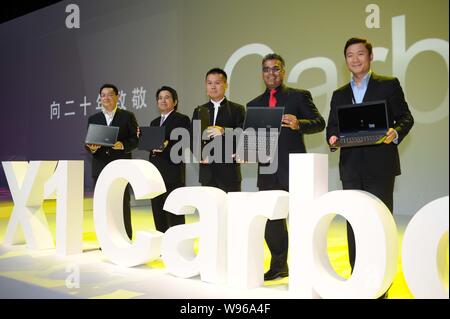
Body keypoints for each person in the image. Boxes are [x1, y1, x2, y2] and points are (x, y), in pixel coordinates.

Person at [326, 38, 414, 294]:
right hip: (351, 168)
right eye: (350, 55)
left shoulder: (388, 85)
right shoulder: (339, 94)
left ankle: (381, 283)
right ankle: (358, 280)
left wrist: (394, 133)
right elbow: (333, 127)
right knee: (354, 224)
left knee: (379, 224)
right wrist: (332, 138)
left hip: (381, 166)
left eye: (360, 54)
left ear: (370, 56)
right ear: (345, 60)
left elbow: (406, 118)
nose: (355, 59)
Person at [247, 53, 325, 281]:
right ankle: (279, 266)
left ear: (283, 71)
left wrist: (299, 123)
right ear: (262, 73)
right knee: (273, 223)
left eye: (276, 68)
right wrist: (243, 152)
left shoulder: (298, 97)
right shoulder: (253, 105)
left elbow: (319, 123)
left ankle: (305, 268)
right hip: (267, 171)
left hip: (294, 168)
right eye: (266, 69)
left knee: (301, 220)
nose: (271, 73)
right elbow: (252, 141)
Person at [86, 83, 139, 240]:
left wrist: (122, 145)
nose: (106, 98)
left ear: (117, 97)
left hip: (120, 166)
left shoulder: (127, 116)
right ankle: (105, 240)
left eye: (110, 94)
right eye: (103, 95)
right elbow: (88, 142)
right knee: (103, 204)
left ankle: (126, 238)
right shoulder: (93, 118)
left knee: (122, 203)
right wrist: (93, 148)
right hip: (100, 166)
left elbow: (135, 140)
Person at [191, 68, 246, 192]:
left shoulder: (237, 109)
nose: (213, 87)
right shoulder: (199, 110)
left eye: (217, 83)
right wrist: (199, 155)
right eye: (209, 83)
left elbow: (244, 134)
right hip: (207, 173)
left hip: (230, 173)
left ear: (226, 85)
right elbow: (192, 136)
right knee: (209, 210)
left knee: (231, 210)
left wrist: (224, 131)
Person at [147, 86, 190, 233]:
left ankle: (177, 246)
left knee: (174, 212)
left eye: (167, 97)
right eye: (160, 98)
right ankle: (161, 242)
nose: (163, 100)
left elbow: (183, 143)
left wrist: (165, 146)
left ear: (175, 101)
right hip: (155, 174)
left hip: (172, 173)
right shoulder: (154, 122)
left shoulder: (182, 119)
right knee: (158, 211)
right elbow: (151, 147)